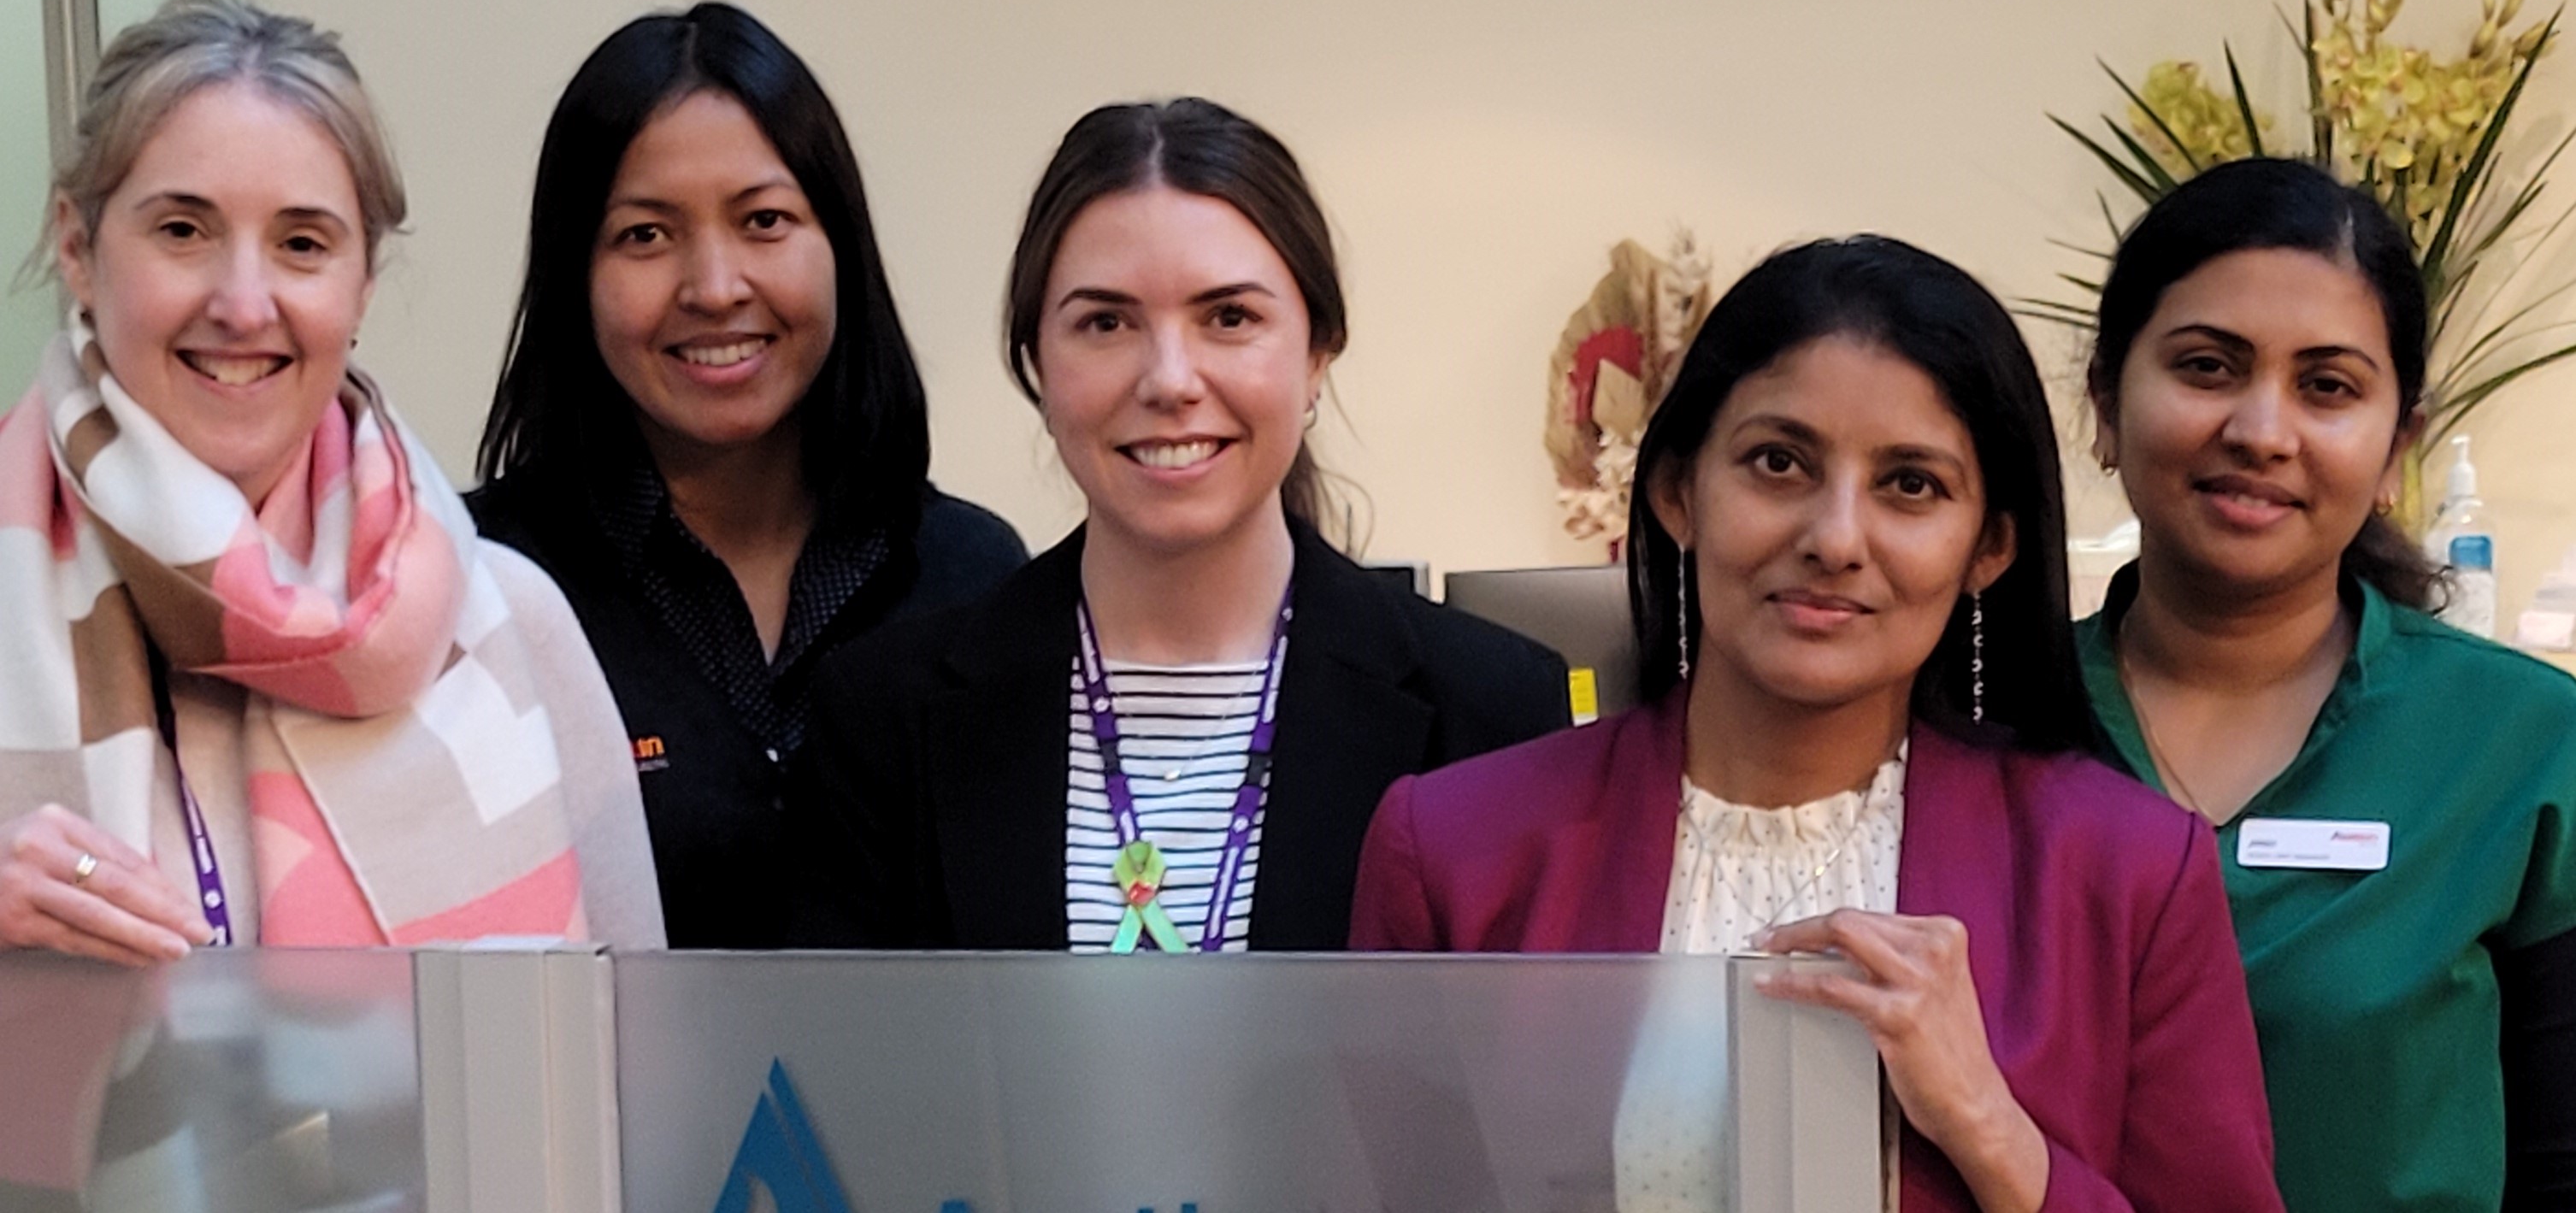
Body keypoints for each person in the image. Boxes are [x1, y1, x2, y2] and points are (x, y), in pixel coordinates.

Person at [1351, 238, 2282, 1213]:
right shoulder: (1455, 849)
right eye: (1778, 462)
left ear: (1989, 546)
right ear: (1677, 492)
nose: (1834, 537)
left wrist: (1990, 1127)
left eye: (1910, 484)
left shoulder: (2128, 873)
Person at [790, 97, 1570, 951]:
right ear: (1036, 366)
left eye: (1229, 317)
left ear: (1317, 353)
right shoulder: (881, 714)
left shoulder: (1493, 708)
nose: (1169, 379)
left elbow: (1530, 1075)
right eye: (1106, 322)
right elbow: (854, 1069)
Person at [0, 0, 661, 961]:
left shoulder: (511, 627)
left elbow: (629, 1062)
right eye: (182, 230)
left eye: (302, 243)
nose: (243, 301)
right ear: (77, 247)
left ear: (362, 285)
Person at [2076, 157, 2576, 1213]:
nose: (2262, 430)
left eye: (2327, 385)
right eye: (2208, 366)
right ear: (2105, 403)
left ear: (2401, 442)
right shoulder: (1982, 719)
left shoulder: (2522, 745)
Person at [470, 3, 1025, 950]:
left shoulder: (972, 576)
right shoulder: (480, 587)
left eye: (765, 220)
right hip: (589, 1102)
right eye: (646, 235)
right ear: (575, 272)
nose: (715, 284)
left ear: (839, 244)